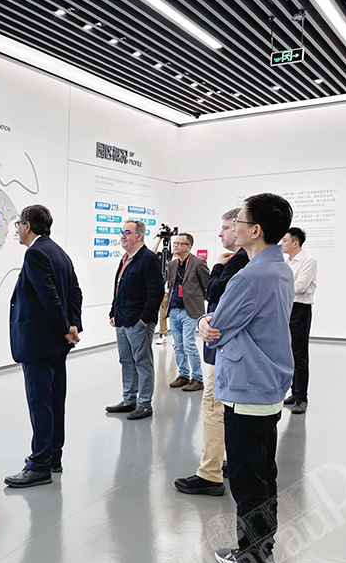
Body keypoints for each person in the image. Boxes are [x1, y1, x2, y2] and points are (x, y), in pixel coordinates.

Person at [197, 193, 294, 563]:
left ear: (255, 230)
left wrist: (204, 321)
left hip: (247, 389)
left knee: (249, 482)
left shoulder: (249, 277)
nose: (232, 227)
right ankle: (260, 555)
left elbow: (218, 327)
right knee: (263, 476)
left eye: (237, 221)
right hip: (265, 386)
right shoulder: (278, 268)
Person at [4, 205, 83, 488]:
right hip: (56, 344)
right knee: (54, 401)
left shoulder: (35, 253)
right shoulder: (59, 252)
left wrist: (64, 328)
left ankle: (39, 465)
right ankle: (53, 457)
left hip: (39, 343)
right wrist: (72, 326)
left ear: (27, 225)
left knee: (40, 403)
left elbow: (49, 296)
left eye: (18, 224)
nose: (17, 230)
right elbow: (75, 292)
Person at [174, 208, 248, 496]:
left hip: (223, 347)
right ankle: (221, 462)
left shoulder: (238, 261)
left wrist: (217, 265)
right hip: (226, 347)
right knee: (220, 407)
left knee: (214, 407)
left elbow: (213, 292)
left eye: (225, 228)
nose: (220, 234)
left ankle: (210, 473)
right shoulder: (251, 261)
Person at [106, 220, 164, 420]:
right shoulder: (125, 259)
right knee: (126, 361)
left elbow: (156, 292)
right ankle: (129, 400)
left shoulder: (148, 259)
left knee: (142, 362)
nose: (122, 236)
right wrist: (113, 312)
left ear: (139, 236)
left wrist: (144, 320)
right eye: (121, 232)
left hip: (138, 322)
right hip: (122, 320)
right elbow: (118, 288)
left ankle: (144, 404)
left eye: (127, 232)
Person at [164, 233, 209, 392]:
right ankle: (183, 375)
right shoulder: (171, 265)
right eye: (174, 243)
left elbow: (206, 284)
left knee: (189, 344)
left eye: (179, 243)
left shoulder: (198, 263)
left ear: (188, 247)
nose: (175, 246)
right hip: (174, 310)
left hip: (190, 310)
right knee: (178, 345)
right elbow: (170, 285)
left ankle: (198, 378)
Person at [280, 227, 317, 414]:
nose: (281, 243)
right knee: (287, 352)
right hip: (285, 307)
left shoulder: (308, 261)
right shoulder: (286, 262)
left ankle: (302, 397)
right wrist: (290, 281)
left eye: (285, 240)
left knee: (299, 353)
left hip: (300, 309)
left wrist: (289, 282)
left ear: (295, 243)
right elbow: (281, 284)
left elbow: (300, 286)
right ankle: (294, 392)